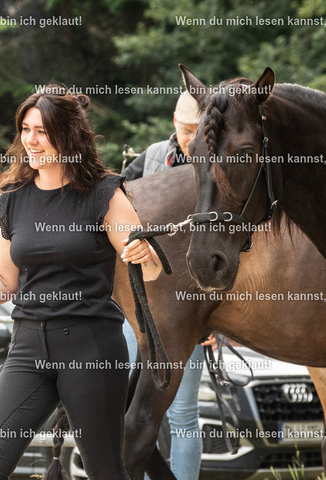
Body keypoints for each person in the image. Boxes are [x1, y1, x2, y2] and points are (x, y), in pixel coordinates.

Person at [0, 84, 163, 479]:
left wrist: (144, 254)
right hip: (28, 346)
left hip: (91, 346)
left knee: (105, 471)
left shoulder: (103, 193)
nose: (30, 141)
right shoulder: (13, 199)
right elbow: (4, 281)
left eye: (42, 132)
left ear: (68, 136)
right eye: (25, 130)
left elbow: (148, 269)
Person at [122, 91, 204, 480]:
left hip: (194, 309)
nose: (191, 139)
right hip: (140, 302)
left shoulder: (220, 165)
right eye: (186, 130)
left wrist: (218, 321)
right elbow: (117, 213)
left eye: (199, 130)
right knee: (131, 406)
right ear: (174, 120)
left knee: (183, 413)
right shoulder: (153, 157)